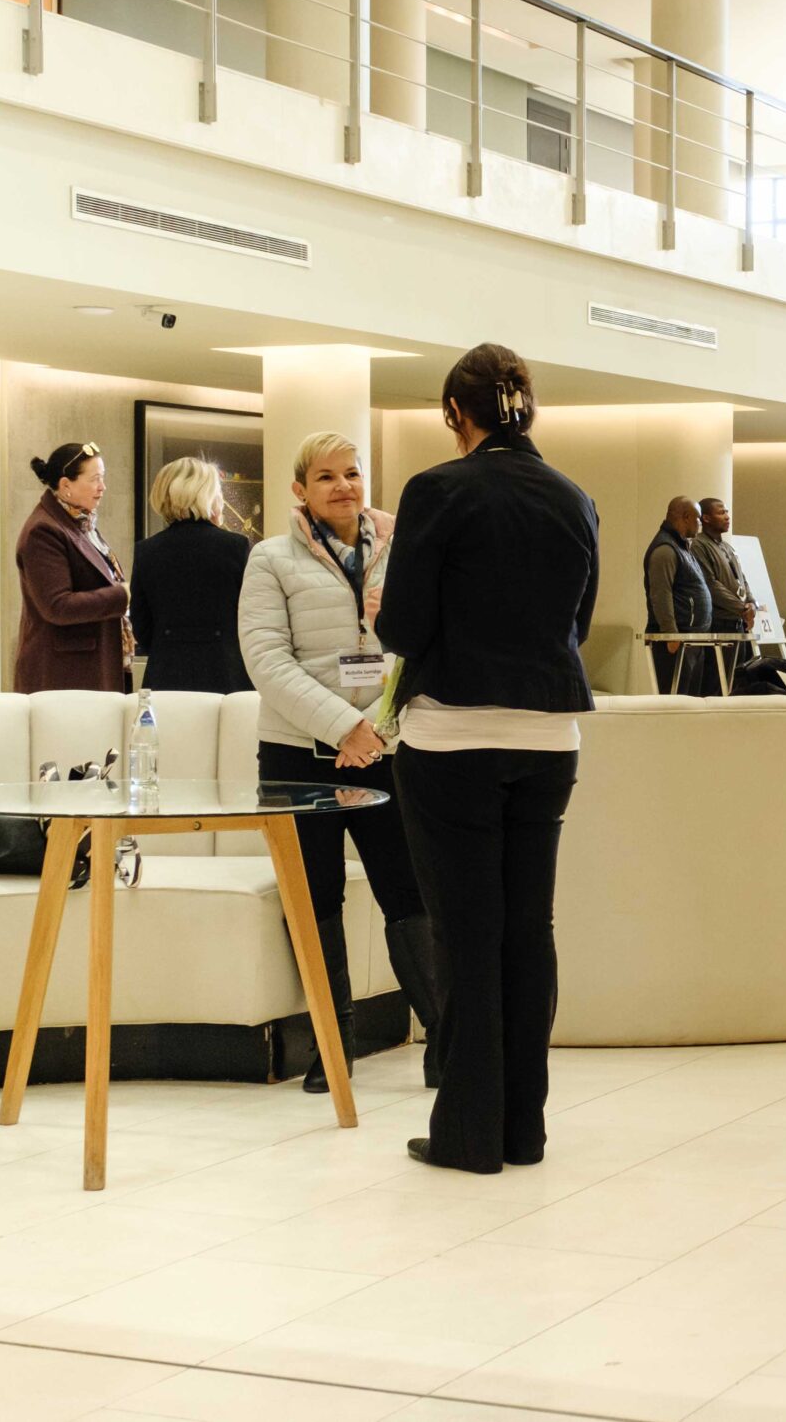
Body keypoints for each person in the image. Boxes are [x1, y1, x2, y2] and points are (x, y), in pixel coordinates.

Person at [378, 344, 600, 1174]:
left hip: (452, 735)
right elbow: (576, 624)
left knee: (466, 937)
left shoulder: (436, 490)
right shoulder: (575, 498)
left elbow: (403, 627)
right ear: (525, 409)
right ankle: (522, 1128)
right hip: (549, 738)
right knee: (528, 932)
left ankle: (469, 1133)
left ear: (453, 412)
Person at [237, 430, 440, 1093]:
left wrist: (374, 727)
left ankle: (445, 1037)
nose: (343, 486)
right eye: (325, 476)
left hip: (386, 749)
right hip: (298, 755)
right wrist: (343, 727)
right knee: (314, 897)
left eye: (351, 473)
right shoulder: (270, 559)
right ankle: (332, 1043)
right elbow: (267, 660)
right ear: (300, 489)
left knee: (408, 891)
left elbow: (424, 643)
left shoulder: (402, 552)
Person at [14, 441, 132, 694]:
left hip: (84, 671)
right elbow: (57, 606)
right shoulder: (43, 531)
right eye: (95, 479)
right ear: (66, 485)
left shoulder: (81, 523)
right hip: (64, 675)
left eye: (103, 478)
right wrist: (123, 595)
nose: (103, 487)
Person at [130, 457, 253, 694]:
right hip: (228, 674)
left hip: (166, 675)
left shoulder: (146, 551)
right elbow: (251, 616)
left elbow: (142, 628)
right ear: (207, 496)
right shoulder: (236, 546)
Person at [642, 497, 713, 695]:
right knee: (675, 702)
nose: (700, 523)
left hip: (691, 640)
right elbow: (660, 593)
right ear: (686, 517)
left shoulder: (682, 546)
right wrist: (670, 633)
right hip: (675, 642)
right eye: (698, 518)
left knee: (692, 703)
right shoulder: (665, 549)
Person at [690, 497, 753, 695]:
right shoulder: (699, 545)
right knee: (716, 684)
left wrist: (751, 603)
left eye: (727, 512)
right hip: (719, 624)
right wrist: (741, 607)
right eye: (721, 513)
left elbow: (742, 579)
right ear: (706, 518)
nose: (727, 517)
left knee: (737, 682)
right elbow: (710, 584)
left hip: (738, 624)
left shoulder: (727, 547)